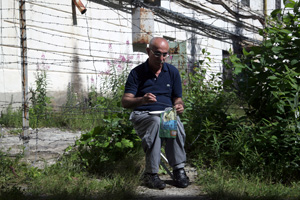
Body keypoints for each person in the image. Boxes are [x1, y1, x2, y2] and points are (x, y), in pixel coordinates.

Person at [121, 37, 189, 189]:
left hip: (165, 112)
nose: (162, 58)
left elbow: (178, 98)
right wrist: (142, 100)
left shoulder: (172, 72)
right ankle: (151, 174)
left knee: (173, 123)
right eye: (157, 54)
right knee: (156, 122)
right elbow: (125, 102)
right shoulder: (137, 73)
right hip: (143, 114)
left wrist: (178, 105)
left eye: (165, 54)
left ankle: (178, 170)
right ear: (148, 51)